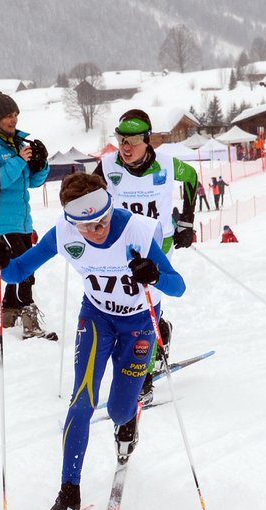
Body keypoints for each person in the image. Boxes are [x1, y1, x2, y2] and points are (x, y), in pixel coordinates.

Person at [0, 172, 185, 510]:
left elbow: (178, 286)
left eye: (103, 221)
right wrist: (0, 259)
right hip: (96, 319)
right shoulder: (63, 232)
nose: (96, 231)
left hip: (139, 324)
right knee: (82, 401)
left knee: (121, 409)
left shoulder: (137, 230)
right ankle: (68, 492)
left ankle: (129, 419)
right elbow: (17, 271)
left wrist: (153, 274)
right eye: (87, 226)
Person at [92, 108, 198, 405]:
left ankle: (144, 376)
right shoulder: (108, 165)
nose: (125, 147)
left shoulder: (166, 164)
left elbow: (191, 178)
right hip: (122, 243)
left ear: (147, 141)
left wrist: (187, 223)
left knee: (146, 302)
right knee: (129, 303)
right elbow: (88, 193)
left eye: (132, 141)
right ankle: (159, 331)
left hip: (158, 243)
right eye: (120, 139)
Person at [0, 88, 55, 340]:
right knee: (25, 267)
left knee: (19, 265)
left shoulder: (15, 143)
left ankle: (8, 311)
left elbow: (32, 182)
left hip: (21, 220)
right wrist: (18, 160)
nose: (13, 119)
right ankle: (28, 320)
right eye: (7, 115)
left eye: (15, 113)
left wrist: (40, 162)